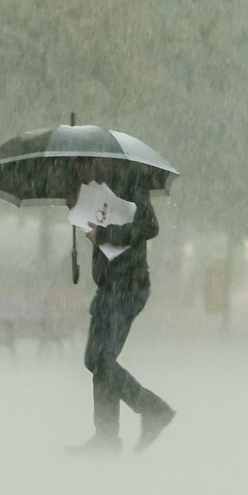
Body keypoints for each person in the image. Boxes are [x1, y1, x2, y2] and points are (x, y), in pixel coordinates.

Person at [66, 157, 175, 454]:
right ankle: (108, 437)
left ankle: (149, 411)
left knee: (102, 360)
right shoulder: (96, 190)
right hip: (109, 287)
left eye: (82, 165)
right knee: (96, 360)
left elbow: (149, 226)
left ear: (97, 160)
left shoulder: (130, 181)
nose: (79, 171)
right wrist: (79, 210)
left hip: (128, 287)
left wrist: (105, 234)